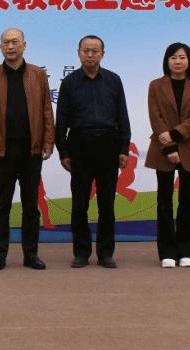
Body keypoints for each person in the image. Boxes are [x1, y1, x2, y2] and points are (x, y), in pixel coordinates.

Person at [0, 28, 56, 271]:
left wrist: (48, 141)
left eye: (14, 42)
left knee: (31, 205)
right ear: (0, 47)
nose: (10, 46)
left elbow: (46, 110)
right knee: (2, 204)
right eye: (6, 42)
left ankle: (31, 254)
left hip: (32, 149)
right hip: (3, 149)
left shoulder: (38, 74)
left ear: (24, 45)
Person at [56, 35, 131, 269]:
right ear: (78, 53)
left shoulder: (113, 80)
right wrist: (63, 152)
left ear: (102, 54)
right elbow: (61, 121)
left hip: (108, 144)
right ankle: (81, 252)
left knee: (107, 204)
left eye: (95, 51)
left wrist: (124, 148)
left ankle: (106, 253)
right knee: (79, 204)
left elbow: (122, 117)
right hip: (79, 144)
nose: (90, 55)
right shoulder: (69, 83)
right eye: (86, 50)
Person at [143, 42, 190, 269]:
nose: (178, 61)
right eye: (173, 57)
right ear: (167, 61)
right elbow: (155, 116)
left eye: (182, 57)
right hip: (163, 149)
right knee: (164, 203)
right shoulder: (156, 85)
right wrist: (169, 147)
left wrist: (175, 134)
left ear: (189, 61)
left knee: (186, 202)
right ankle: (167, 252)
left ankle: (185, 251)